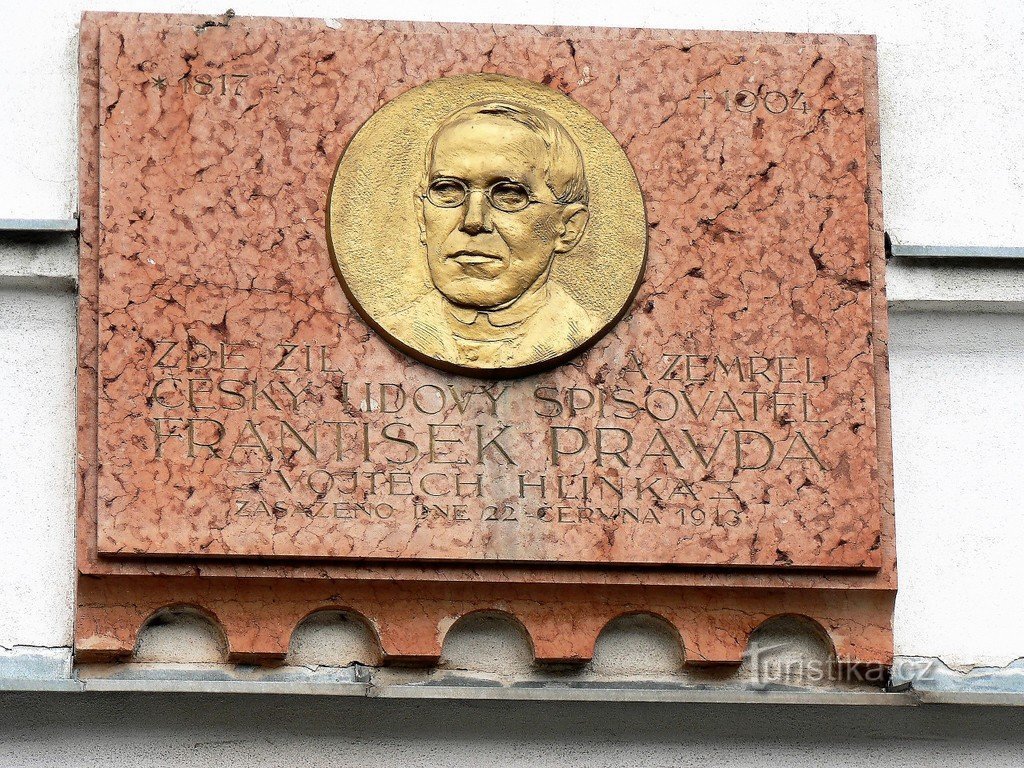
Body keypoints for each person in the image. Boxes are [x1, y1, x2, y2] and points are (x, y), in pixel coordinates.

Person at [388, 99, 599, 368]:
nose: (473, 221)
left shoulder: (580, 333)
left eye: (509, 194)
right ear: (421, 216)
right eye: (447, 189)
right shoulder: (397, 330)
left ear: (569, 228)